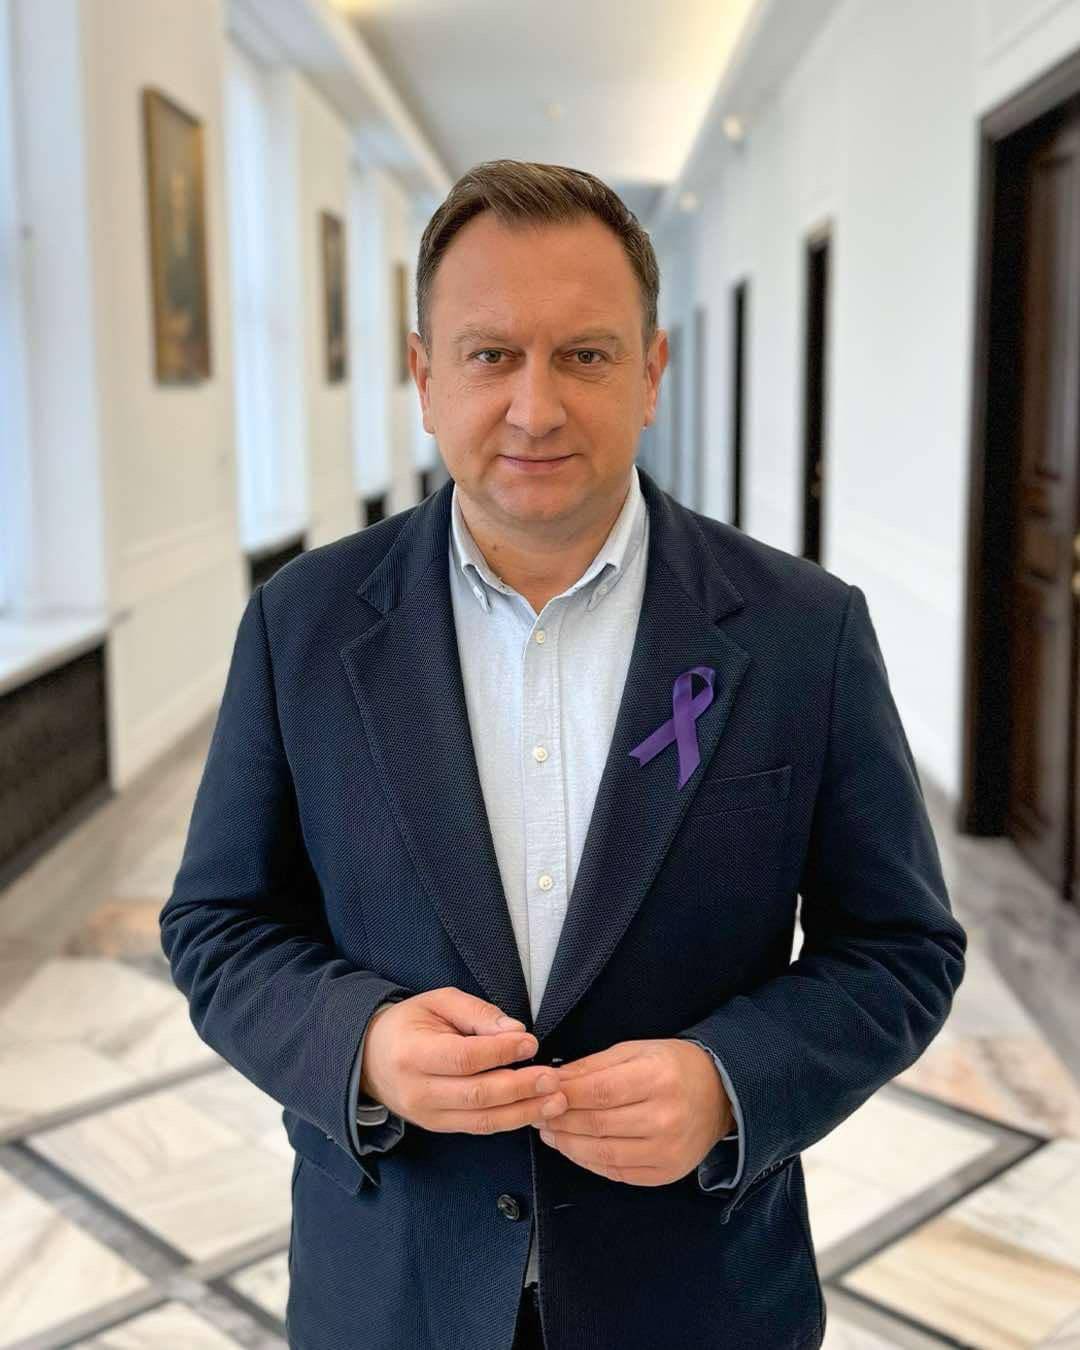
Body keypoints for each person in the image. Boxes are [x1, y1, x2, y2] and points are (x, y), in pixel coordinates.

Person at [160, 159, 967, 1350]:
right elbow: (219, 927)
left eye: (584, 355)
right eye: (491, 355)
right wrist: (363, 1046)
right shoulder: (303, 626)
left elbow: (901, 949)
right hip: (393, 1292)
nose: (534, 408)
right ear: (424, 377)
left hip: (697, 1297)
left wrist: (729, 1082)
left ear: (651, 374)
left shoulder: (803, 632)